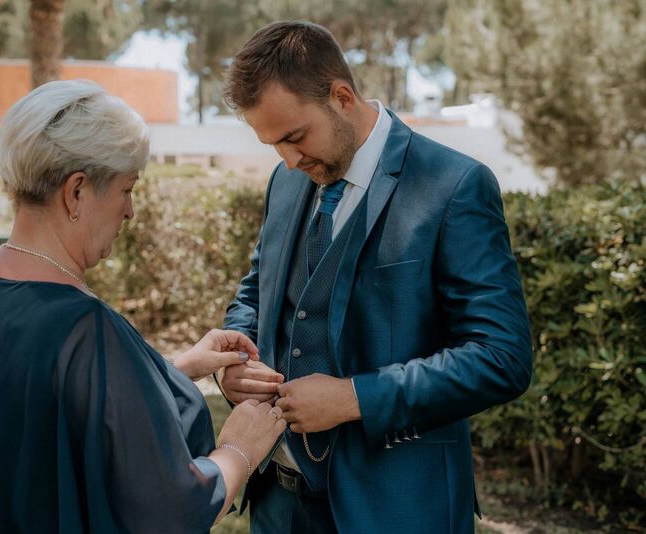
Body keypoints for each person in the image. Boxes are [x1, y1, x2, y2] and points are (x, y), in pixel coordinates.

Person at [0, 79, 286, 534]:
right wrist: (238, 450)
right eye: (126, 189)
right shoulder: (84, 327)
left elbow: (43, 404)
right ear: (76, 192)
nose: (129, 212)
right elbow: (169, 509)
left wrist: (171, 367)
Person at [218, 21, 533, 533]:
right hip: (277, 503)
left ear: (341, 96)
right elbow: (258, 289)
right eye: (273, 144)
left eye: (295, 136)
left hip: (397, 507)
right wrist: (236, 361)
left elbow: (502, 357)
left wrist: (354, 397)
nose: (289, 159)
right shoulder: (286, 179)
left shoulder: (454, 185)